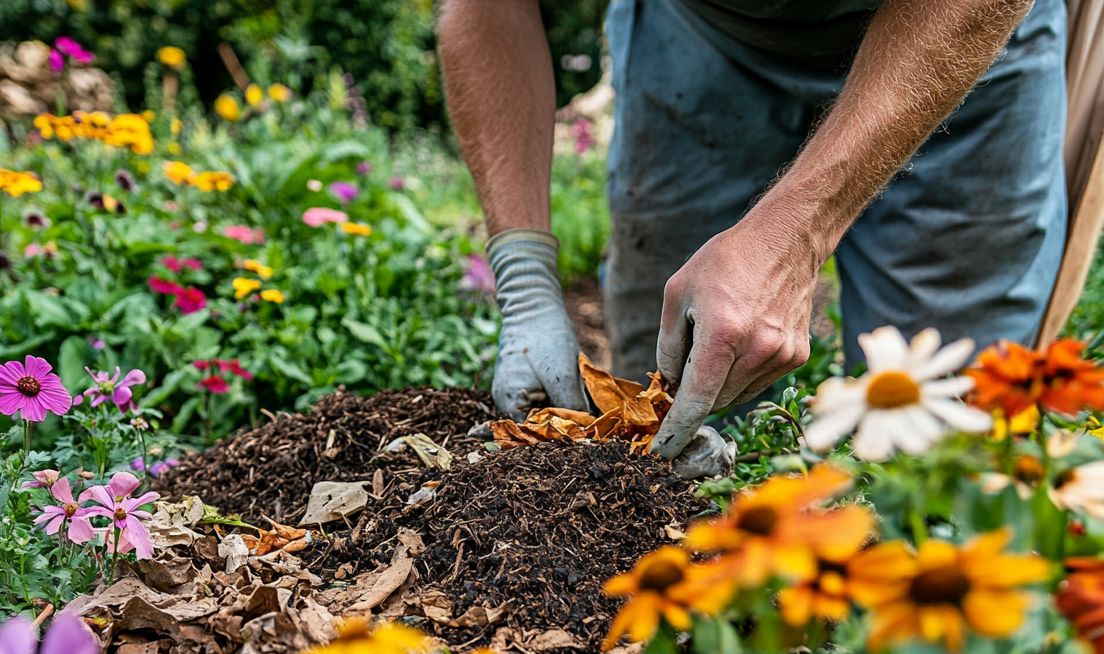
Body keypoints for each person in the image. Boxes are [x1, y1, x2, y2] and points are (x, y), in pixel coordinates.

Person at [437, 0, 1067, 476]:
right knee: (670, 418)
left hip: (955, 44)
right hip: (701, 35)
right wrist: (524, 281)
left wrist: (793, 240)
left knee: (945, 429)